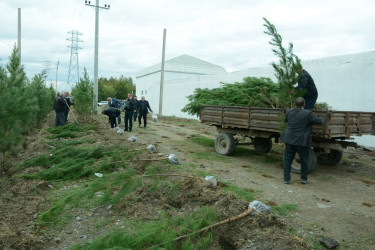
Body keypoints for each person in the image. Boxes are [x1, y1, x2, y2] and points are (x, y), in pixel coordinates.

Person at [280, 97, 323, 184]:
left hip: (289, 139)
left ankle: (286, 179)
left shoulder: (288, 111)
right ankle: (303, 179)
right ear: (304, 105)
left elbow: (286, 121)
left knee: (288, 159)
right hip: (301, 141)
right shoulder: (308, 113)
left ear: (295, 104)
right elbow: (319, 121)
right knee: (304, 160)